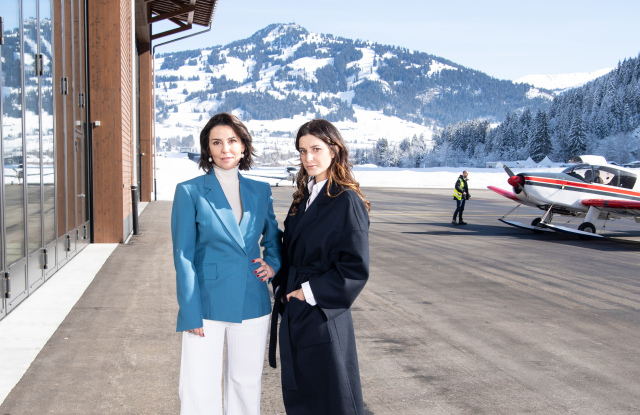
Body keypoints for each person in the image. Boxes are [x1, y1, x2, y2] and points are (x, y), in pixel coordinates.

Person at [171, 113, 282, 415]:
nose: (225, 149)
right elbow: (183, 255)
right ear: (207, 149)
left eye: (232, 141)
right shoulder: (189, 191)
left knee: (246, 383)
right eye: (216, 142)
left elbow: (273, 239)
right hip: (206, 302)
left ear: (243, 146)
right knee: (199, 385)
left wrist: (272, 264)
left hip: (252, 298)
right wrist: (190, 310)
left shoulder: (261, 191)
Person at [268, 119, 370, 415]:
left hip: (322, 310)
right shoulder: (304, 197)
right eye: (302, 151)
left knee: (330, 397)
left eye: (316, 149)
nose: (308, 158)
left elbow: (355, 267)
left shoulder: (345, 200)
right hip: (296, 307)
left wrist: (307, 293)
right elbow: (292, 249)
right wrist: (277, 275)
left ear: (334, 150)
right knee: (303, 394)